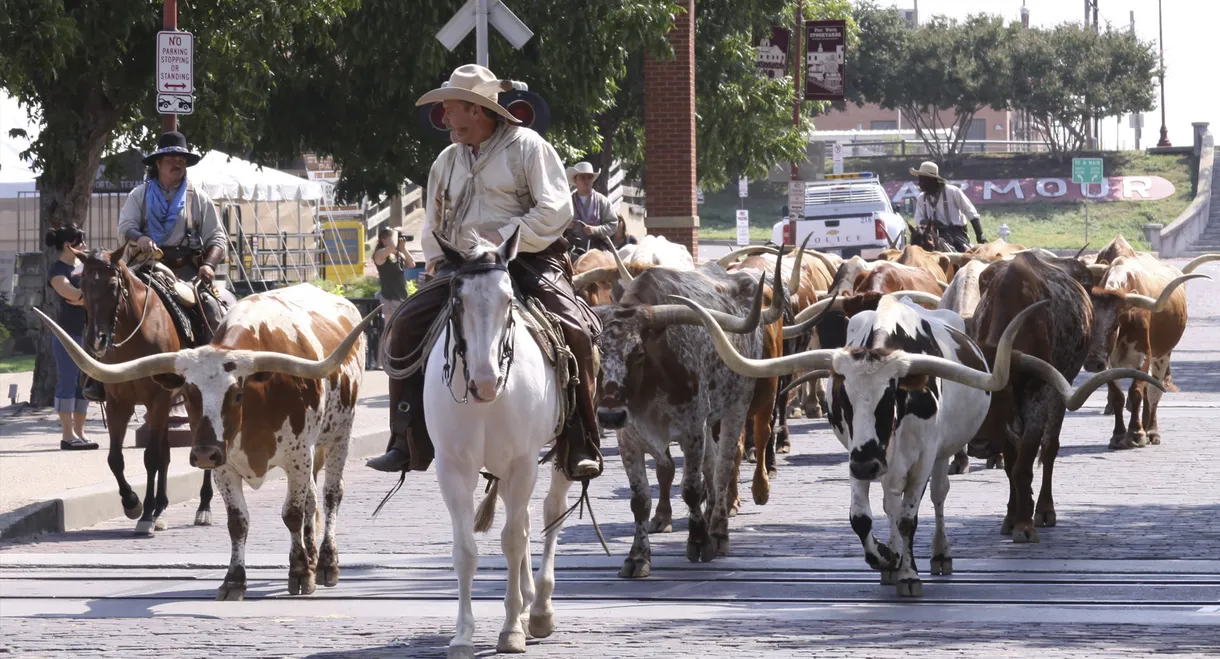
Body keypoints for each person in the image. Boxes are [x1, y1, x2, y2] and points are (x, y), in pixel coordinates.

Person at [367, 64, 604, 483]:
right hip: (461, 266)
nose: (444, 118)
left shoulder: (528, 146)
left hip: (527, 258)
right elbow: (432, 223)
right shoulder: (446, 160)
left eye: (451, 109)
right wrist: (438, 256)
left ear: (478, 110)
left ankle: (580, 437)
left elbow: (556, 209)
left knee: (576, 330)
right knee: (403, 327)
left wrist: (508, 234)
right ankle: (405, 438)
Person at [117, 130, 234, 345]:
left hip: (185, 271)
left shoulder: (198, 198)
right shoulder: (139, 195)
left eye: (182, 160)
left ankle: (216, 364)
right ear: (158, 163)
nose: (178, 164)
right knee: (108, 305)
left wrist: (208, 265)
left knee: (210, 307)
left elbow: (217, 238)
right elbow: (125, 227)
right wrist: (140, 237)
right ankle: (94, 372)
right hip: (145, 265)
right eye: (172, 159)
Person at [45, 224, 97, 450]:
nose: (85, 246)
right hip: (67, 334)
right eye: (80, 242)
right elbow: (72, 294)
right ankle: (67, 435)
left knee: (83, 385)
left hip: (87, 335)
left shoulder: (82, 267)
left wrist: (86, 298)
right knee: (68, 383)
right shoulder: (57, 271)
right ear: (68, 245)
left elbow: (86, 296)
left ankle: (80, 432)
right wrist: (89, 296)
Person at [910, 161, 986, 252]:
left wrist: (980, 235)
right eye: (919, 180)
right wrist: (931, 223)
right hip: (930, 234)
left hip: (954, 233)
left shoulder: (952, 191)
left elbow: (972, 213)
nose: (919, 184)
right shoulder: (921, 198)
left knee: (964, 253)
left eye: (922, 180)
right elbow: (918, 219)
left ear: (932, 179)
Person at [564, 161, 619, 253]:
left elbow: (613, 225)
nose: (586, 181)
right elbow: (557, 224)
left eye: (589, 177)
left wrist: (595, 230)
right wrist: (567, 226)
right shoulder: (567, 202)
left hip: (599, 247)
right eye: (582, 177)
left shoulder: (603, 201)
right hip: (573, 246)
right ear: (575, 180)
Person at [373, 227, 416, 323]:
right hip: (390, 298)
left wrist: (403, 249)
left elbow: (412, 264)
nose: (396, 240)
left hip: (402, 297)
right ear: (383, 240)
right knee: (391, 330)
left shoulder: (396, 253)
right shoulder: (379, 254)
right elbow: (392, 246)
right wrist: (395, 231)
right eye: (393, 238)